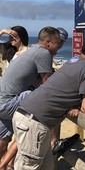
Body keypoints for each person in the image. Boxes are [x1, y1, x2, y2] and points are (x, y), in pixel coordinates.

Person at [12, 39, 85, 169]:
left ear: (81, 51)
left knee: (47, 166)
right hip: (35, 123)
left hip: (25, 113)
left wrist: (75, 105)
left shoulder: (72, 62)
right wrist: (84, 106)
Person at [0, 26, 61, 167]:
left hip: (3, 101)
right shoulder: (43, 53)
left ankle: (4, 165)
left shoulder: (32, 51)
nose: (59, 47)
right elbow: (48, 85)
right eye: (58, 43)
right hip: (9, 103)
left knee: (3, 141)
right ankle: (54, 140)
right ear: (47, 42)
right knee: (34, 105)